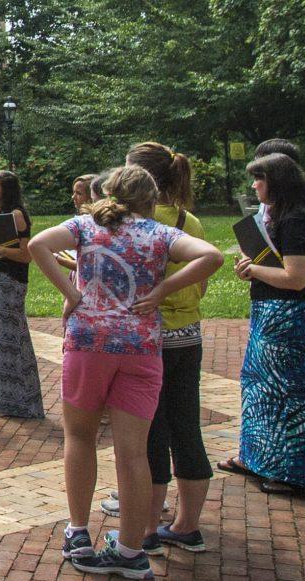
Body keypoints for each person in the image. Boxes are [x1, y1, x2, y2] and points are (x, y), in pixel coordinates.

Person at [24, 165, 223, 580]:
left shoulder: (84, 226)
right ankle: (131, 549)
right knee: (133, 452)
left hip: (88, 344)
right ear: (151, 200)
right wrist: (162, 291)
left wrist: (71, 293)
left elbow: (38, 245)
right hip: (141, 348)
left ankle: (78, 532)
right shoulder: (161, 235)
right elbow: (212, 256)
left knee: (79, 437)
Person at [101, 143, 213, 554]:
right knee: (186, 428)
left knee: (149, 436)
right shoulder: (190, 221)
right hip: (188, 335)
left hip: (147, 340)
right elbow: (200, 281)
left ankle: (146, 527)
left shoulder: (128, 224)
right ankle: (187, 525)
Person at [219, 153, 305, 495]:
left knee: (292, 396)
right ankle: (257, 458)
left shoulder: (297, 220)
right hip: (269, 312)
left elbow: (296, 278)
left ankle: (298, 475)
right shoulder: (280, 216)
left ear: (277, 182)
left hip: (291, 316)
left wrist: (252, 270)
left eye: (259, 179)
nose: (254, 186)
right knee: (259, 388)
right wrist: (251, 266)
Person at [0, 171, 46, 419]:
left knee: (12, 337)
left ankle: (22, 402)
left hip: (11, 283)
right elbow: (0, 252)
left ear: (7, 190)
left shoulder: (16, 215)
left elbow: (25, 255)